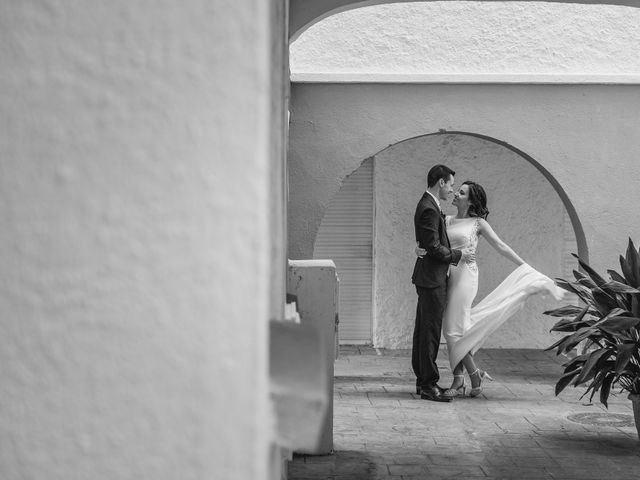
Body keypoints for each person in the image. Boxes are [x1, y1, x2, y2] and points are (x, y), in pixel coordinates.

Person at [416, 180, 564, 398]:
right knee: (456, 328)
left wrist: (524, 265)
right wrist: (417, 248)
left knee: (451, 329)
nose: (456, 193)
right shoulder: (445, 219)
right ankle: (473, 374)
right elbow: (431, 243)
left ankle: (460, 380)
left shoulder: (478, 224)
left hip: (466, 276)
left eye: (462, 192)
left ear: (471, 200)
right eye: (457, 190)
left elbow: (501, 246)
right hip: (446, 274)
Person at [411, 165, 474, 403]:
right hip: (431, 279)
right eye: (450, 185)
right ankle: (428, 385)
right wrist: (459, 256)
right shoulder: (428, 208)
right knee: (429, 332)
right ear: (440, 183)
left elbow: (427, 243)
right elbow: (433, 247)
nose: (451, 189)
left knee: (423, 331)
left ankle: (421, 380)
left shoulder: (430, 205)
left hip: (429, 276)